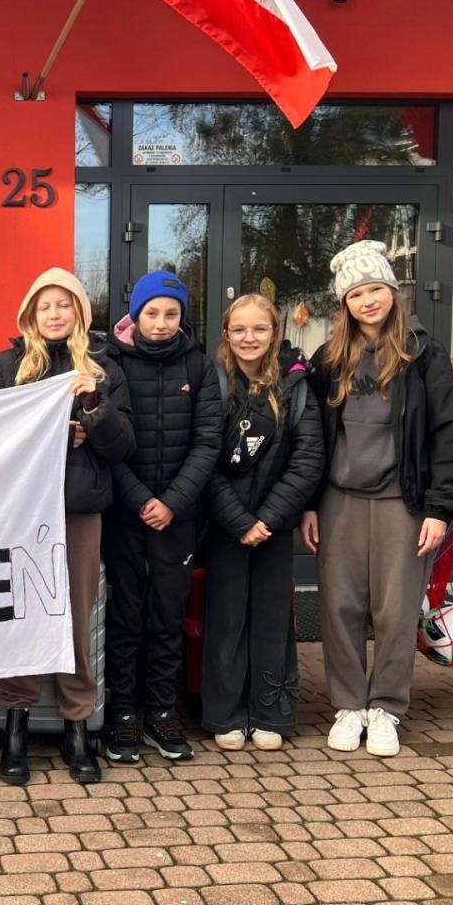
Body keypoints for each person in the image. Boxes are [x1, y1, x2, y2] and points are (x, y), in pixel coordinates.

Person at [300, 241, 453, 758]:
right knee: (341, 606)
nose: (367, 301)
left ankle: (386, 707)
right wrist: (308, 502)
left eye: (376, 289)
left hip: (405, 500)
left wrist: (440, 509)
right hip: (339, 499)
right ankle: (349, 705)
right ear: (344, 303)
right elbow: (312, 438)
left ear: (394, 292)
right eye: (356, 294)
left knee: (396, 610)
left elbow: (451, 434)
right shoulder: (329, 359)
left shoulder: (423, 354)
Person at [0, 268, 135, 786]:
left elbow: (123, 446)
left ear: (79, 313)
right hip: (19, 511)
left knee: (75, 615)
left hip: (78, 507)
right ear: (30, 314)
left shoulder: (103, 369)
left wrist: (92, 410)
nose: (54, 314)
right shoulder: (5, 366)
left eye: (64, 305)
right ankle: (15, 723)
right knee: (21, 612)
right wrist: (49, 437)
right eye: (44, 305)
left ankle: (77, 725)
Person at [99, 270, 222, 765]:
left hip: (178, 515)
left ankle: (162, 711)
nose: (162, 322)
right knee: (126, 615)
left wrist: (173, 501)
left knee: (167, 616)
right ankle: (123, 713)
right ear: (136, 314)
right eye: (152, 312)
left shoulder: (199, 364)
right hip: (125, 513)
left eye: (172, 314)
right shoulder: (109, 363)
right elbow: (108, 442)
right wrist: (139, 500)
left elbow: (208, 441)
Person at [203, 294, 324, 752]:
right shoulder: (214, 382)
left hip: (274, 527)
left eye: (259, 329)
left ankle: (271, 712)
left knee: (273, 620)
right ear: (226, 334)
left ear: (275, 332)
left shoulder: (297, 386)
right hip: (225, 525)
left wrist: (267, 520)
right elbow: (203, 458)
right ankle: (226, 714)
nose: (248, 338)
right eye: (239, 329)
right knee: (226, 620)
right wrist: (239, 521)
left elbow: (307, 460)